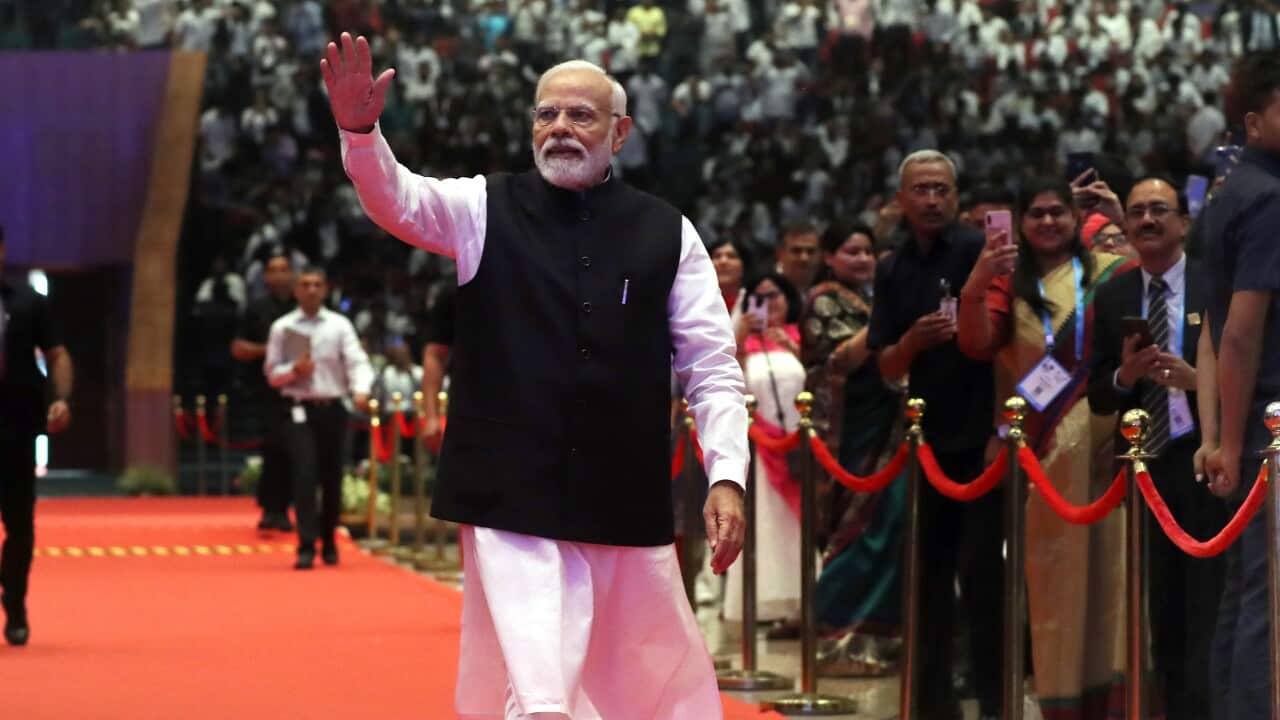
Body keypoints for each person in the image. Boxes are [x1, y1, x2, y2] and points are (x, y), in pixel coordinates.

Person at [324, 36, 747, 718]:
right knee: (542, 686)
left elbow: (712, 365)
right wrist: (359, 132)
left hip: (624, 493)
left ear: (621, 130)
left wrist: (727, 474)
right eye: (546, 115)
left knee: (652, 686)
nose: (559, 129)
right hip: (509, 494)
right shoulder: (480, 207)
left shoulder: (670, 232)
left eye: (580, 116)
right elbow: (396, 200)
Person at [958, 175, 1134, 719]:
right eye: (1036, 214)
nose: (1048, 223)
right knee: (1057, 576)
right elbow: (976, 344)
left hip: (1110, 443)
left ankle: (1119, 701)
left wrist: (1123, 220)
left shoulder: (1109, 270)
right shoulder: (1007, 281)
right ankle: (1062, 700)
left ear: (1076, 217)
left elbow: (1155, 276)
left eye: (1058, 212)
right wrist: (976, 281)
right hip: (1048, 447)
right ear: (1021, 222)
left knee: (1115, 574)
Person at [866, 149, 1000, 720]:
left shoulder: (978, 253)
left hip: (986, 438)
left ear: (957, 197)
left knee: (983, 573)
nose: (932, 200)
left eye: (942, 190)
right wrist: (913, 344)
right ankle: (931, 702)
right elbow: (885, 365)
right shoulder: (892, 268)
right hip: (925, 440)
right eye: (921, 190)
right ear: (901, 201)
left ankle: (996, 701)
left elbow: (1000, 344)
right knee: (926, 574)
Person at [1087, 176, 1225, 720]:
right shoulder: (1114, 293)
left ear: (1183, 222)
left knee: (1210, 598)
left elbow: (1249, 368)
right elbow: (1099, 392)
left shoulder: (1216, 281)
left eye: (1159, 210)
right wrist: (1125, 374)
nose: (1147, 220)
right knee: (1162, 603)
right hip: (1148, 466)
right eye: (1138, 211)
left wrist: (1201, 381)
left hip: (1207, 456)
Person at [1200, 52, 1280, 720]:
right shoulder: (1271, 196)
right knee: (1270, 597)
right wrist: (1229, 439)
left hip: (1246, 418)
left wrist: (1216, 435)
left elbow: (1208, 329)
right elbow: (1238, 333)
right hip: (1270, 420)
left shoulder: (1228, 191)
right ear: (1254, 121)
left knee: (1244, 590)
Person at [801, 222, 906, 675]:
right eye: (852, 250)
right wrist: (890, 317)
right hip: (849, 427)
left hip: (888, 423)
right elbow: (842, 357)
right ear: (830, 257)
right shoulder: (824, 298)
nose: (863, 259)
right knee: (857, 527)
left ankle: (880, 639)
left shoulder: (871, 298)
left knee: (891, 523)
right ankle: (831, 633)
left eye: (869, 251)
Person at [264, 266, 372, 570]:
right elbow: (272, 374)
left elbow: (356, 361)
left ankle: (329, 539)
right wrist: (292, 372)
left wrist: (361, 389)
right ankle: (306, 544)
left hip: (333, 408)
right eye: (305, 284)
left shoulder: (339, 326)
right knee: (304, 473)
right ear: (297, 290)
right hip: (299, 409)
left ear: (324, 290)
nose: (311, 289)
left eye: (317, 285)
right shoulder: (282, 327)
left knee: (332, 478)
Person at [0, 225, 74, 647]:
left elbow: (58, 354)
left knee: (19, 524)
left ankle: (15, 602)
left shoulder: (30, 303)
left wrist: (62, 397)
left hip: (15, 426)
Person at [723, 271, 802, 628]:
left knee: (796, 523)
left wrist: (788, 343)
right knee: (760, 519)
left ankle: (801, 600)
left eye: (775, 296)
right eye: (760, 297)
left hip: (796, 440)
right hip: (757, 441)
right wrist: (739, 334)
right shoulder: (740, 342)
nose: (768, 304)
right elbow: (727, 380)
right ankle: (758, 602)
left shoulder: (799, 336)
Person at [231, 251, 296, 532]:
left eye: (284, 269)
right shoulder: (255, 309)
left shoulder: (302, 308)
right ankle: (272, 509)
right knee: (274, 448)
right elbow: (238, 348)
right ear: (266, 277)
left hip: (303, 389)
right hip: (267, 389)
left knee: (297, 451)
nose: (279, 275)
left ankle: (292, 507)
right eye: (274, 270)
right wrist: (272, 352)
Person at [775, 220, 820, 297]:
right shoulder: (760, 291)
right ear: (780, 254)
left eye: (810, 251)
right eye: (796, 251)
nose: (804, 258)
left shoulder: (827, 291)